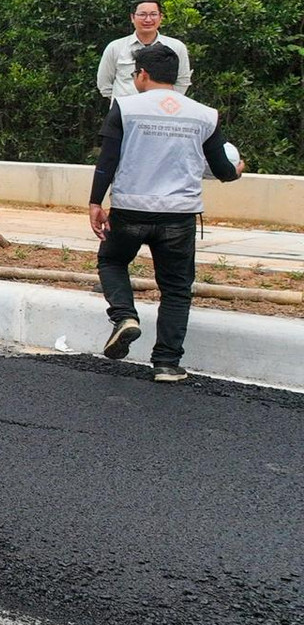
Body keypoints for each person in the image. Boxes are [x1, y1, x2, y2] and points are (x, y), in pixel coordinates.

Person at [89, 41, 244, 383]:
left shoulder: (126, 109)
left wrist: (96, 202)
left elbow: (108, 160)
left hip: (130, 209)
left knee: (112, 262)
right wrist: (238, 168)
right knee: (176, 288)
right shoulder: (204, 114)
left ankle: (125, 317)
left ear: (142, 74)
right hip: (179, 216)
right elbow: (222, 170)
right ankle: (166, 364)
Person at [97, 0, 191, 100]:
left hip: (161, 111)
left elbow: (182, 81)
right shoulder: (115, 47)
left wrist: (166, 102)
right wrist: (122, 103)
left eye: (153, 14)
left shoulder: (176, 47)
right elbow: (104, 84)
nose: (148, 20)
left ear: (161, 17)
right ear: (132, 17)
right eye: (142, 15)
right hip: (126, 111)